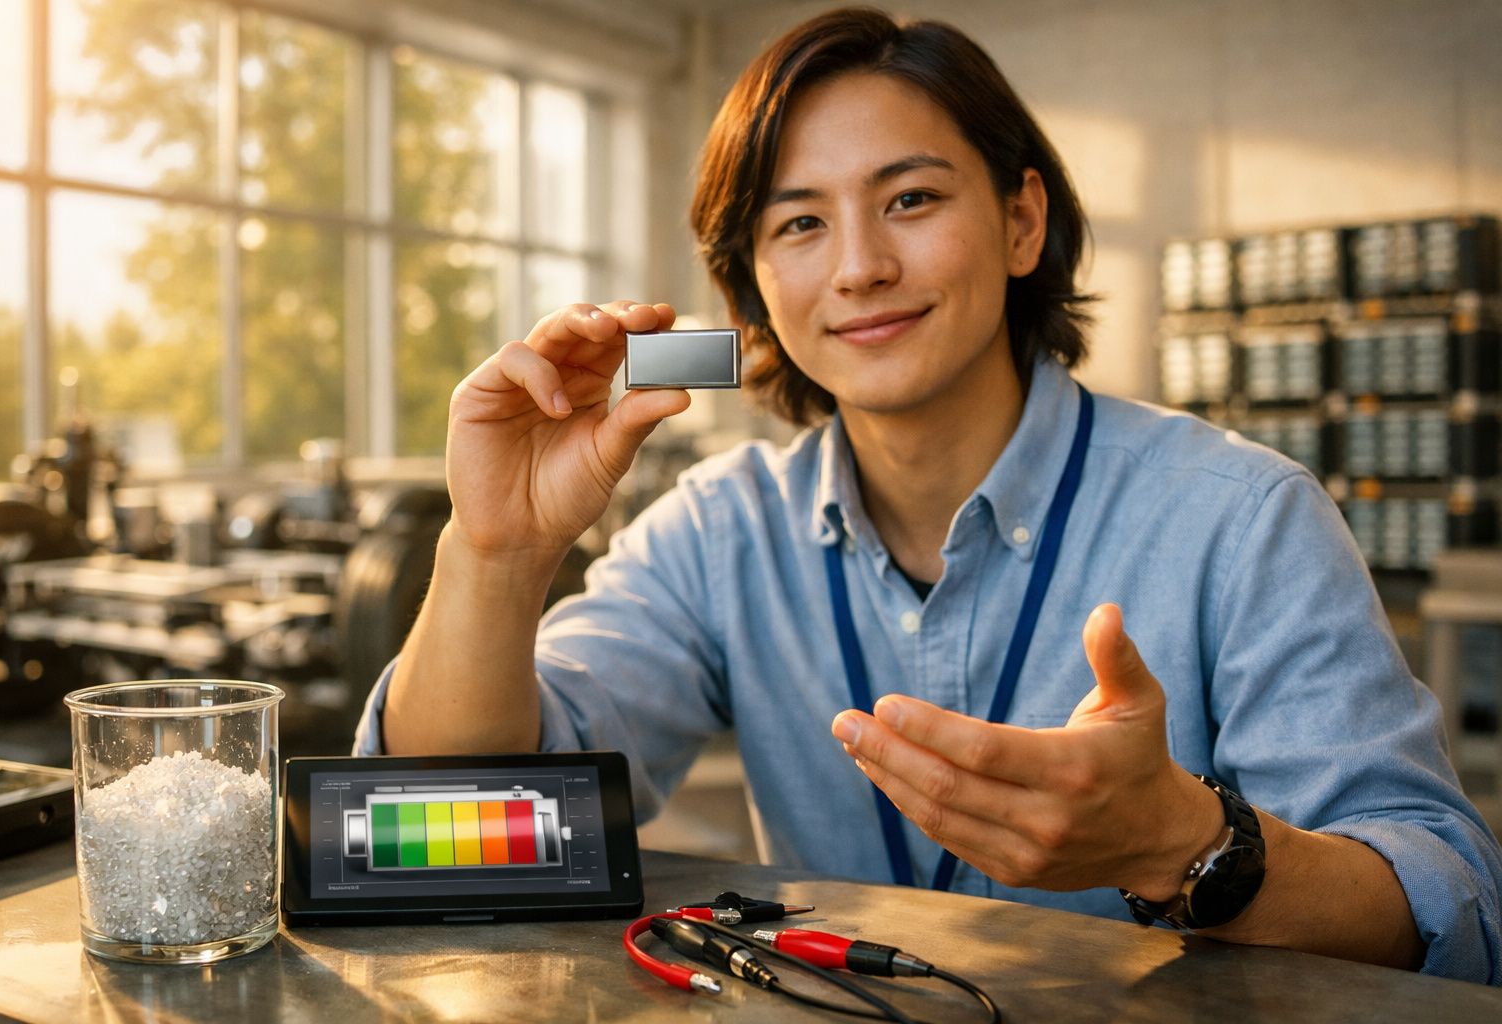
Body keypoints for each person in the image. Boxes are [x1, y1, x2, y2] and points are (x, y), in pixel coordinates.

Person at [355, 7, 1502, 984]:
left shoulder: (1239, 517)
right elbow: (455, 826)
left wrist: (1182, 844)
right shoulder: (720, 528)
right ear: (753, 288)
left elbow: (1449, 912)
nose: (857, 266)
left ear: (1020, 222)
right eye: (799, 222)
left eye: (908, 199)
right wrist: (496, 554)